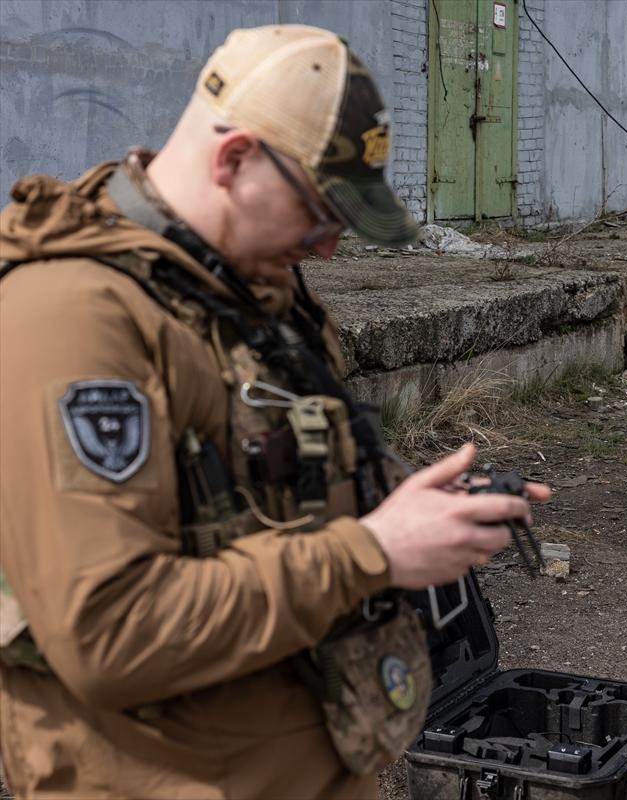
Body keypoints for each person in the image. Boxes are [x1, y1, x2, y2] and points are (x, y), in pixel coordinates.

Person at [0, 25, 548, 799]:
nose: (327, 248)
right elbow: (108, 634)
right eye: (322, 212)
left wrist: (415, 508)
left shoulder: (252, 284)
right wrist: (374, 552)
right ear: (233, 160)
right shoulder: (72, 319)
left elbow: (288, 474)